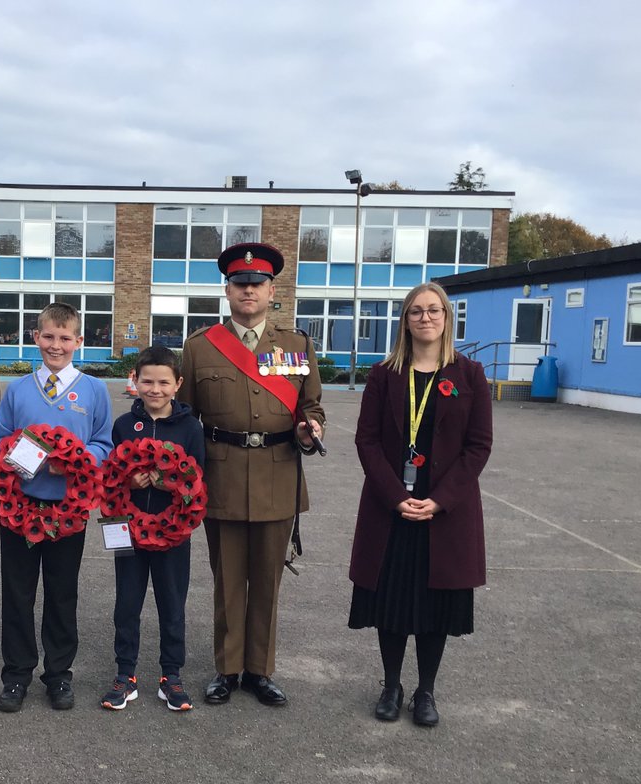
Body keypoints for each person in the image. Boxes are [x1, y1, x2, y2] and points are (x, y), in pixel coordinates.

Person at [178, 242, 325, 707]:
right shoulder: (199, 348)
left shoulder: (297, 345)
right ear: (227, 290)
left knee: (267, 581)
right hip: (220, 477)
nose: (248, 291)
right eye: (240, 284)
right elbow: (186, 417)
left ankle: (260, 670)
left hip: (278, 475)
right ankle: (227, 668)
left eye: (256, 284)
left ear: (271, 290)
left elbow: (312, 403)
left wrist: (311, 428)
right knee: (227, 580)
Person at [347, 282, 492, 727]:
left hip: (444, 512)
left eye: (433, 310)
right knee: (391, 603)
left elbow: (479, 446)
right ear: (405, 320)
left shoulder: (469, 375)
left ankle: (426, 691)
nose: (424, 318)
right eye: (415, 311)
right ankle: (392, 685)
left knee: (434, 608)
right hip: (391, 508)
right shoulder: (384, 374)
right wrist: (396, 496)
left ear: (447, 318)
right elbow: (367, 441)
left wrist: (440, 500)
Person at [0, 303, 113, 712]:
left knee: (62, 594)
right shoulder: (18, 390)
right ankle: (16, 674)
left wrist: (77, 460)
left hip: (68, 511)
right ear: (36, 338)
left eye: (65, 338)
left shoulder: (94, 390)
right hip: (20, 509)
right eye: (49, 337)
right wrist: (20, 457)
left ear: (79, 342)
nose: (56, 345)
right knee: (18, 593)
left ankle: (59, 674)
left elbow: (103, 444)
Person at [100, 345, 205, 712]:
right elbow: (110, 478)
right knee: (127, 602)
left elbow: (197, 482)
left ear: (178, 384)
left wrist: (168, 483)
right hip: (126, 529)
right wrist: (130, 483)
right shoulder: (124, 425)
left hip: (172, 533)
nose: (155, 389)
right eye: (147, 381)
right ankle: (125, 674)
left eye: (163, 382)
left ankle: (171, 676)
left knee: (171, 603)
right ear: (136, 381)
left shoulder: (191, 428)